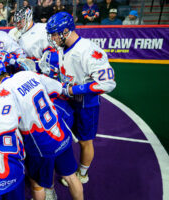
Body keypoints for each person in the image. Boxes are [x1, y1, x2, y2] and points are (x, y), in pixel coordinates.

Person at [0, 57, 83, 200]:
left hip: (40, 144)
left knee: (37, 184)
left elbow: (9, 121)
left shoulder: (2, 91)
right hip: (59, 131)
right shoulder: (27, 74)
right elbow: (57, 87)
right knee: (71, 177)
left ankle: (49, 193)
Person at [46, 11, 116, 186]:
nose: (52, 38)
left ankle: (83, 174)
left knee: (85, 141)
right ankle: (68, 168)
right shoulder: (63, 48)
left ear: (66, 31)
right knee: (66, 135)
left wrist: (74, 89)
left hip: (86, 104)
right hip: (69, 100)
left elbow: (108, 83)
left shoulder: (88, 49)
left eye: (55, 34)